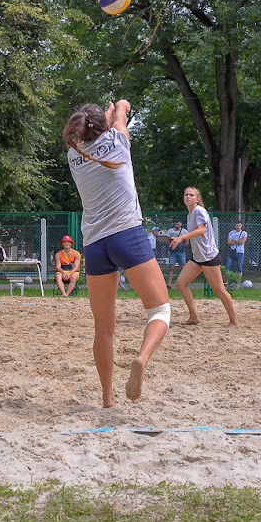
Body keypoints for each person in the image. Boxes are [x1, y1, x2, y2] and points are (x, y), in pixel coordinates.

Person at [64, 99, 171, 408]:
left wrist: (106, 114)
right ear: (106, 126)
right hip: (127, 235)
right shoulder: (118, 141)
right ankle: (141, 358)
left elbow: (100, 129)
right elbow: (120, 120)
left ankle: (107, 397)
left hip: (95, 245)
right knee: (161, 311)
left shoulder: (75, 155)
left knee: (104, 330)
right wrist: (120, 106)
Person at [170, 187, 239, 326]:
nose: (188, 197)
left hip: (209, 257)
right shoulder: (190, 214)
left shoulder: (199, 211)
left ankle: (234, 321)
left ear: (197, 199)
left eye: (191, 195)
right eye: (186, 194)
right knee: (181, 283)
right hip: (197, 257)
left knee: (219, 289)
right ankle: (194, 317)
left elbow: (201, 230)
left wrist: (181, 238)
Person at [162, 220, 188, 288]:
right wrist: (171, 245)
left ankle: (183, 282)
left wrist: (184, 245)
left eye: (178, 224)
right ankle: (169, 284)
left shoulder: (184, 231)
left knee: (183, 267)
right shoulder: (170, 231)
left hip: (181, 251)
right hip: (173, 252)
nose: (177, 225)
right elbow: (167, 239)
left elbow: (187, 240)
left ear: (181, 224)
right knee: (171, 267)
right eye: (176, 224)